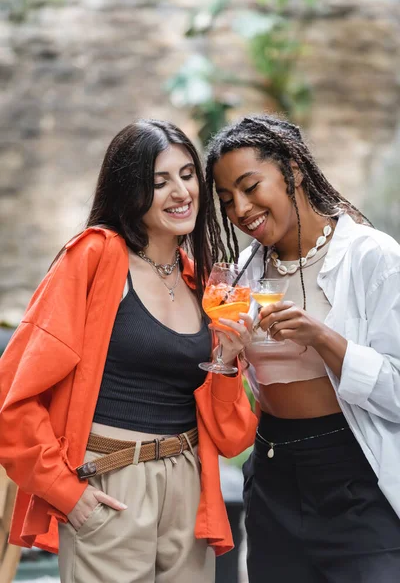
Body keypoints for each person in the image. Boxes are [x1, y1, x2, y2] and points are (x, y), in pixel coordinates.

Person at [0, 119, 257, 583]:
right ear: (129, 192)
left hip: (189, 484)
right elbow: (12, 394)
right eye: (159, 182)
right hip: (113, 483)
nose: (180, 192)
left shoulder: (201, 284)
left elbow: (234, 436)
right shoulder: (95, 258)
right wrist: (65, 491)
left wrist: (225, 363)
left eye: (186, 175)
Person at [205, 113, 400, 583]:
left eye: (251, 187)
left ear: (293, 169)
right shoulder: (247, 272)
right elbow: (236, 389)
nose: (240, 209)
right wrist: (226, 360)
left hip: (355, 473)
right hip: (274, 472)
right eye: (228, 199)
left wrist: (324, 338)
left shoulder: (372, 257)